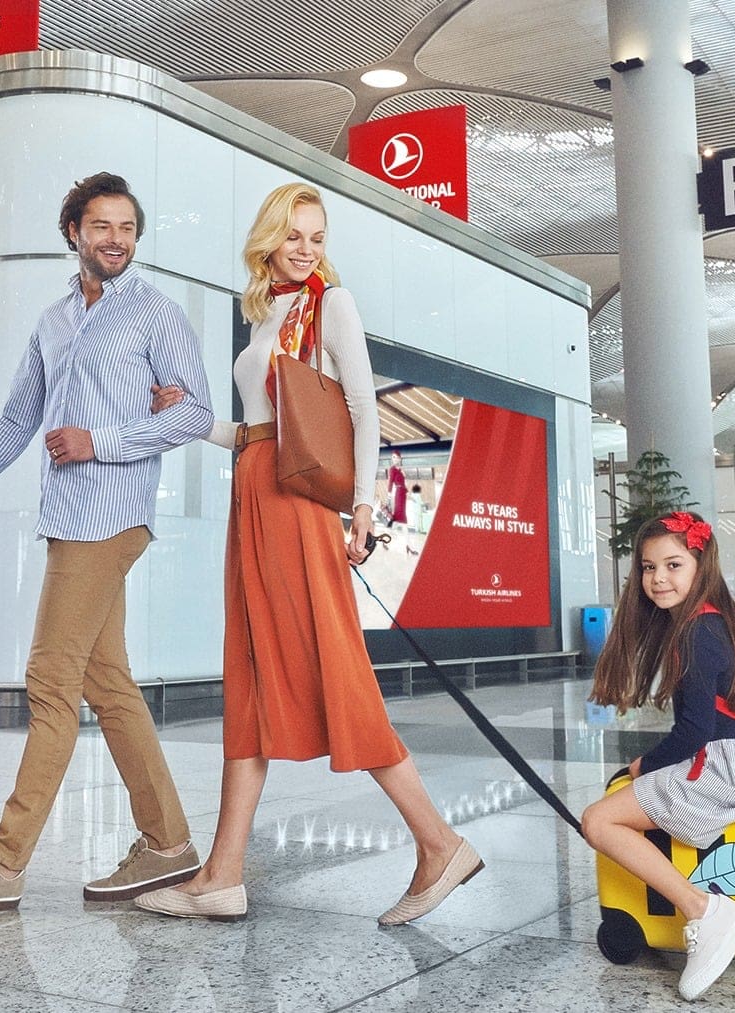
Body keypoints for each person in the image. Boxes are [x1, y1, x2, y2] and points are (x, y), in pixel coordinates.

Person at [137, 182, 480, 925]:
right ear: (268, 239)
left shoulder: (332, 305)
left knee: (335, 668)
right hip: (255, 493)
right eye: (294, 235)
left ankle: (439, 841)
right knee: (251, 674)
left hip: (296, 508)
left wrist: (364, 507)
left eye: (317, 237)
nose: (306, 249)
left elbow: (362, 410)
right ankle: (224, 873)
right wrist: (191, 420)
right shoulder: (266, 315)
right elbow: (256, 432)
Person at [0, 172, 215, 913]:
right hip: (67, 518)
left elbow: (196, 412)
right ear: (74, 231)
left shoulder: (156, 313)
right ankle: (168, 844)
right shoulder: (56, 320)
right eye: (102, 226)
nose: (116, 240)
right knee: (107, 683)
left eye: (127, 228)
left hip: (111, 516)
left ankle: (2, 863)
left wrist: (100, 440)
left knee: (49, 679)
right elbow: (18, 420)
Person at [578, 511, 735, 1001]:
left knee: (598, 821)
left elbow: (694, 731)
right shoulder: (715, 621)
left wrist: (643, 767)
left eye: (673, 565)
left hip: (725, 769)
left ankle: (706, 911)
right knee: (623, 801)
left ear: (701, 565)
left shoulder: (697, 631)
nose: (658, 578)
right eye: (649, 567)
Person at [386, 450, 409, 526]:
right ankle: (395, 526)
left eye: (397, 457)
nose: (395, 459)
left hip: (403, 492)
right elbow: (390, 481)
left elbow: (405, 482)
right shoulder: (392, 469)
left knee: (402, 511)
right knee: (398, 511)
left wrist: (404, 475)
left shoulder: (401, 470)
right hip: (399, 491)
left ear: (400, 459)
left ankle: (402, 527)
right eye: (393, 457)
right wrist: (389, 494)